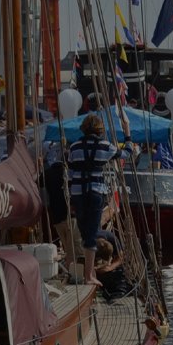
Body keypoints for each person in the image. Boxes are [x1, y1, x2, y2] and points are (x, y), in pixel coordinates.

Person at [66, 114, 119, 285]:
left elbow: (71, 174)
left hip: (78, 193)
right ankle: (90, 275)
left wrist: (71, 198)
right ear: (99, 130)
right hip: (96, 192)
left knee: (85, 233)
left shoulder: (74, 147)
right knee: (91, 234)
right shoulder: (105, 146)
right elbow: (124, 153)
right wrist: (128, 138)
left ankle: (89, 273)